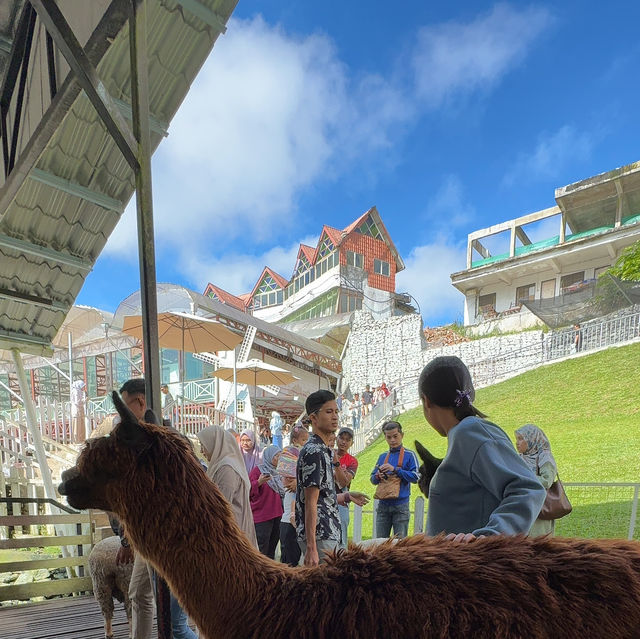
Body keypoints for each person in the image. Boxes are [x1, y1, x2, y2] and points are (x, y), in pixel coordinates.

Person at [419, 356, 546, 543]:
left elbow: (528, 488)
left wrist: (489, 537)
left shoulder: (470, 432)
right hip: (455, 566)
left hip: (475, 568)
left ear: (426, 401)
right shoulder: (463, 434)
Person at [118, 378, 196, 639]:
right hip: (149, 535)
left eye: (124, 406)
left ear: (139, 402)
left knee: (174, 622)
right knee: (139, 593)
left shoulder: (166, 441)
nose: (121, 415)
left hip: (169, 538)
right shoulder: (152, 442)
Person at [295, 390, 369, 567]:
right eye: (328, 412)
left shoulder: (324, 450)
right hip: (320, 535)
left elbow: (321, 497)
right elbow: (310, 502)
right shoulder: (314, 451)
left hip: (328, 531)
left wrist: (346, 496)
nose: (335, 416)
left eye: (336, 411)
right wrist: (312, 547)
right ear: (313, 418)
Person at [196, 425, 258, 547]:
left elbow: (221, 505)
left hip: (232, 534)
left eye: (204, 445)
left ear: (215, 444)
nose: (202, 451)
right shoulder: (223, 464)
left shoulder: (226, 468)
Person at [370, 421, 419, 539]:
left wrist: (396, 470)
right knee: (380, 544)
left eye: (395, 436)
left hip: (401, 506)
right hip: (383, 505)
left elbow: (416, 477)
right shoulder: (382, 457)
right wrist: (378, 476)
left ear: (402, 435)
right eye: (389, 437)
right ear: (385, 438)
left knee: (400, 546)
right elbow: (372, 479)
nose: (392, 440)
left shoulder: (409, 455)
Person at [515, 424, 558, 537]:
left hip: (540, 507)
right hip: (522, 505)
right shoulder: (518, 457)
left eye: (521, 439)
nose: (517, 443)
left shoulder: (544, 457)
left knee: (539, 541)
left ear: (531, 439)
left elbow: (547, 481)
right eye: (516, 439)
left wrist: (524, 479)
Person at [249, 445, 284, 558]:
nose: (278, 458)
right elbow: (247, 490)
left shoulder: (280, 472)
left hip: (277, 514)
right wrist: (258, 482)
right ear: (269, 456)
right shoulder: (258, 471)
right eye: (276, 456)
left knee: (272, 547)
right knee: (261, 548)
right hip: (262, 516)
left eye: (280, 456)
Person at [333, 427, 358, 548]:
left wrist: (335, 470)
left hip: (342, 502)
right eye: (341, 438)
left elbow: (344, 482)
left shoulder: (352, 461)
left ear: (351, 443)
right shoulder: (329, 453)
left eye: (347, 440)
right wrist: (339, 473)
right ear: (336, 438)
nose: (344, 442)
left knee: (341, 536)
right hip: (323, 499)